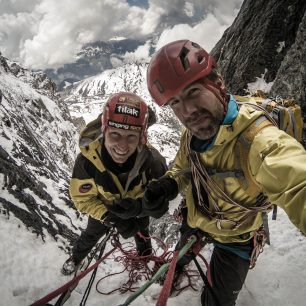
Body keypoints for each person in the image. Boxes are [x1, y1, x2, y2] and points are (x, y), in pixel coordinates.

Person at [111, 40, 306, 305]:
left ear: (218, 81)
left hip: (235, 237)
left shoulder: (259, 141)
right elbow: (183, 167)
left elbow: (297, 180)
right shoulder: (190, 136)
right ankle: (176, 267)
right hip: (196, 218)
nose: (188, 111)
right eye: (176, 103)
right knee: (177, 260)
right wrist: (168, 185)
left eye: (193, 92)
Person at [61, 92, 168, 275]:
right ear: (104, 130)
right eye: (115, 134)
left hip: (137, 206)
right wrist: (110, 217)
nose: (122, 146)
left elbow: (162, 199)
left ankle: (145, 259)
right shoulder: (87, 161)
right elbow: (83, 199)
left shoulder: (153, 162)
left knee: (142, 233)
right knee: (91, 234)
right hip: (105, 208)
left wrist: (139, 209)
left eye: (131, 137)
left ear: (142, 137)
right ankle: (76, 258)